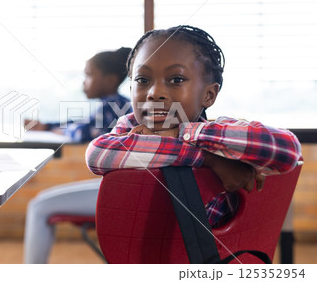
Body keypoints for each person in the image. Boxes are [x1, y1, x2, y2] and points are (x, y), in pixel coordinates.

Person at [86, 25, 302, 228]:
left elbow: (288, 149)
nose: (154, 92)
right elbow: (97, 154)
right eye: (143, 79)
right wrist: (208, 159)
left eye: (176, 79)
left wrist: (183, 133)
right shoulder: (130, 127)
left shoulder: (220, 134)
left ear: (208, 95)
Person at [24, 47, 132, 263]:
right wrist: (48, 126)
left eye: (89, 75)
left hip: (123, 192)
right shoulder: (115, 104)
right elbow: (81, 125)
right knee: (40, 201)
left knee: (38, 206)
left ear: (110, 80)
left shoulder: (114, 106)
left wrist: (49, 128)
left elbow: (81, 132)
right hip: (120, 185)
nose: (84, 82)